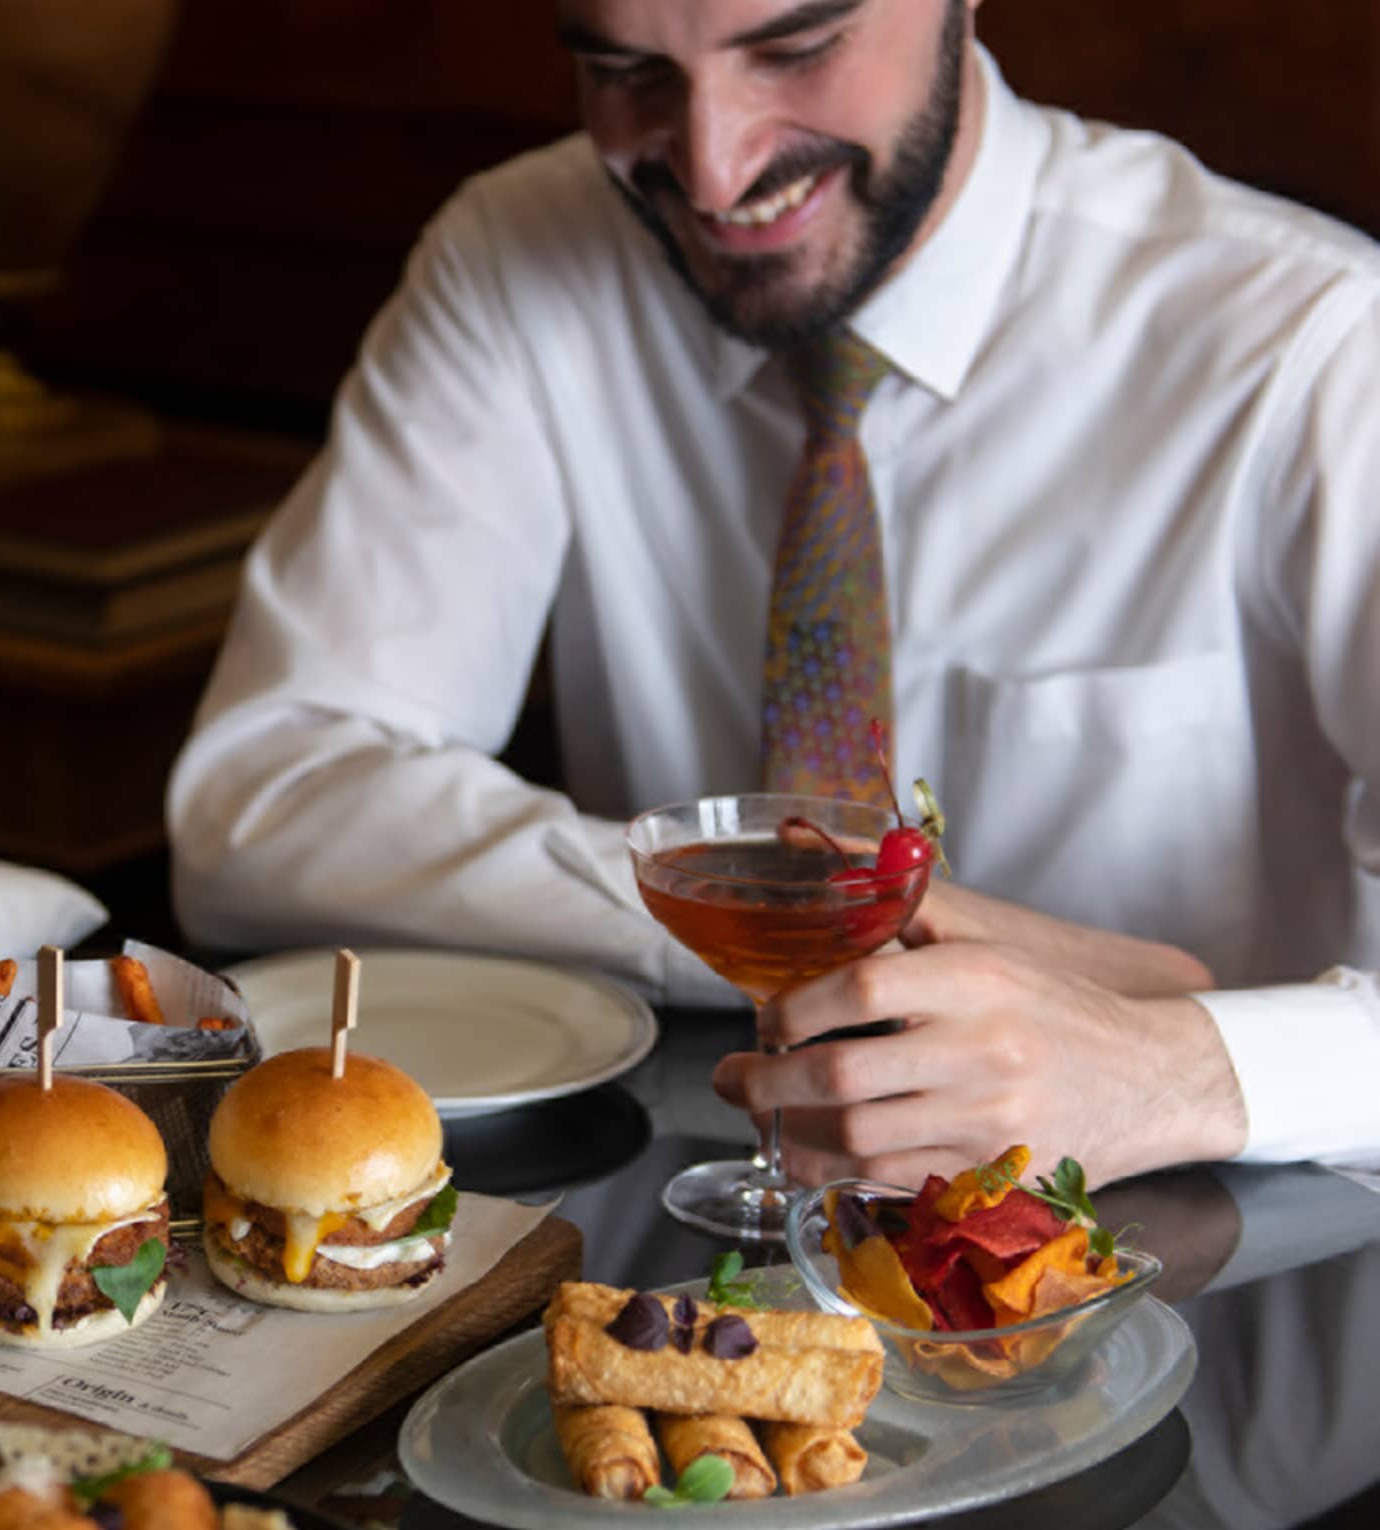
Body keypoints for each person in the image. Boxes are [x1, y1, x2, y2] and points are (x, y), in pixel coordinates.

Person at [168, 0, 1380, 1189]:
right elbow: (263, 809)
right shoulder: (518, 256)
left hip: (1220, 1271)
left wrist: (1172, 1061)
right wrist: (824, 926)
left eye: (796, 48)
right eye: (625, 70)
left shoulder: (1315, 344)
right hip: (702, 1218)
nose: (712, 166)